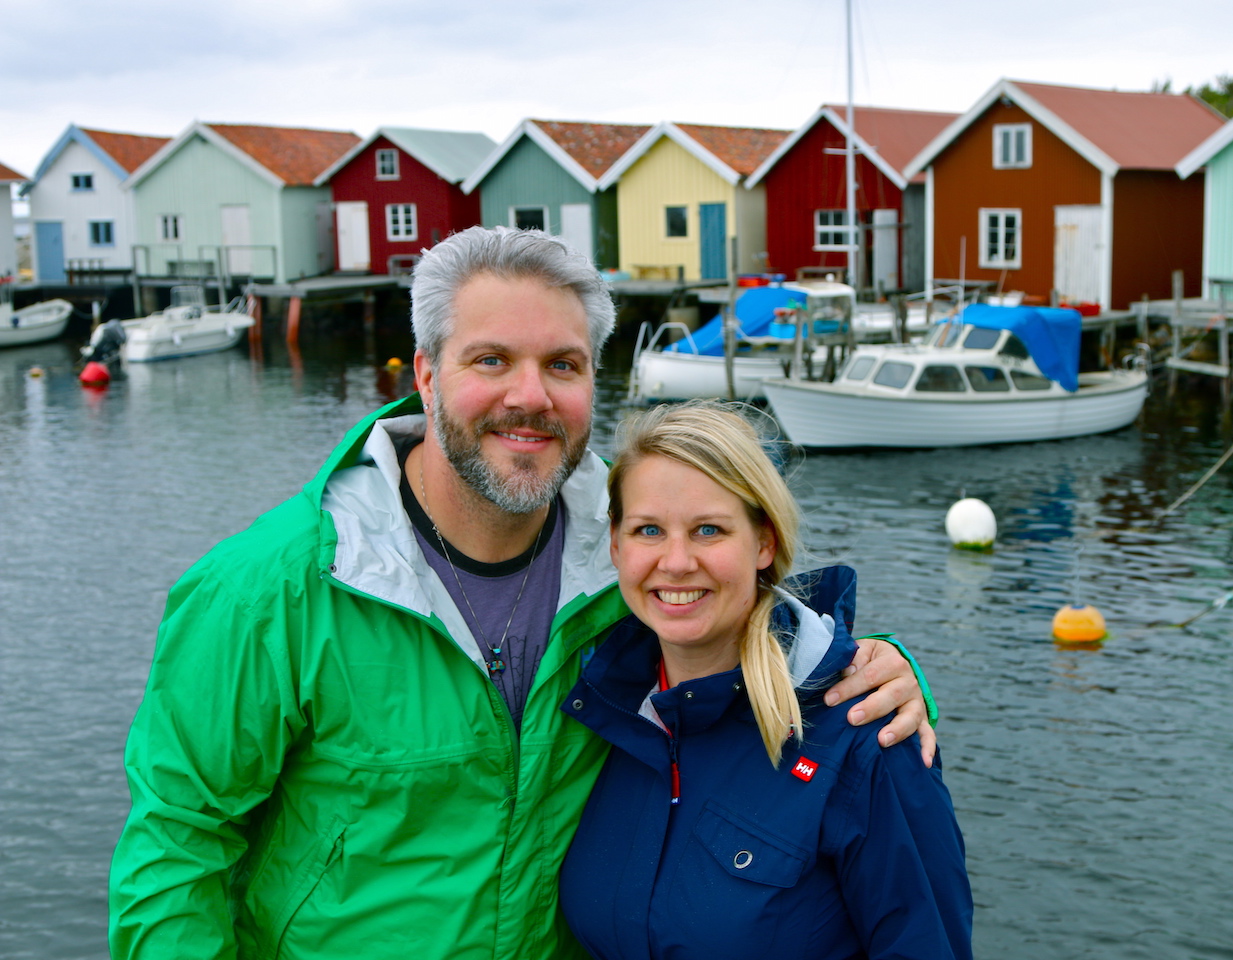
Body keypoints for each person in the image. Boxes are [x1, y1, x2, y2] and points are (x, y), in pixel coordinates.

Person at [108, 226, 938, 960]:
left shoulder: (632, 550)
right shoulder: (271, 590)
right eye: (492, 359)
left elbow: (756, 606)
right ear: (427, 375)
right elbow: (177, 850)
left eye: (563, 365)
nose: (531, 397)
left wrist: (889, 670)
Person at [560, 401, 973, 960]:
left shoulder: (866, 738)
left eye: (709, 529)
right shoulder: (600, 714)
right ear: (616, 545)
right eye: (648, 530)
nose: (676, 562)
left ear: (764, 542)